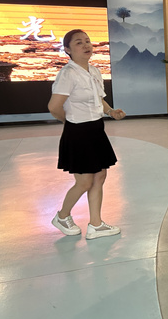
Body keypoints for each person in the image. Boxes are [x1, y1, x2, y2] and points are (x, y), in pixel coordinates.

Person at [48, 29, 126, 240]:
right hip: (78, 132)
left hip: (96, 129)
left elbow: (98, 100)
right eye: (79, 43)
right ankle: (62, 217)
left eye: (88, 41)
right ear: (67, 50)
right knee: (84, 181)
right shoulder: (68, 74)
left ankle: (96, 224)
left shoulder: (94, 71)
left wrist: (111, 111)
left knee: (99, 176)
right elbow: (54, 107)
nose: (86, 45)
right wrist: (69, 122)